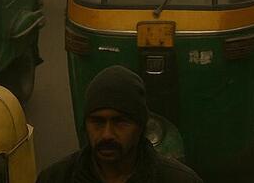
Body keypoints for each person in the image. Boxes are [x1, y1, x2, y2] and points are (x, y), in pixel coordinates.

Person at [38, 66, 202, 183]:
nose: (107, 134)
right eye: (97, 122)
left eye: (120, 122)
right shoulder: (56, 178)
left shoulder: (178, 179)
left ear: (140, 127)